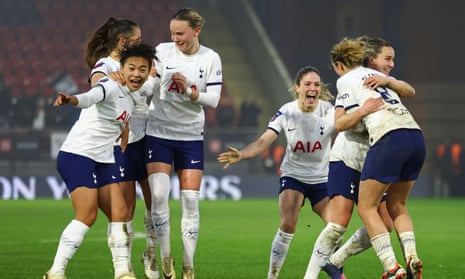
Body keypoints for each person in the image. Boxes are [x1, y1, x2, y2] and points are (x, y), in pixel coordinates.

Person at [304, 36, 417, 279]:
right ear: (370, 59)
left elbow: (409, 91)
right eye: (387, 59)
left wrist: (388, 82)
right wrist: (363, 111)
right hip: (347, 157)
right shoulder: (351, 81)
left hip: (377, 156)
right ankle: (310, 276)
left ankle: (335, 262)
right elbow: (340, 123)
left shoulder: (384, 82)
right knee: (338, 224)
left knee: (385, 222)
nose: (390, 65)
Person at [44, 43, 155, 279]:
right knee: (88, 215)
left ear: (148, 72)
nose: (136, 74)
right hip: (78, 155)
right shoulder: (111, 84)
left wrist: (124, 130)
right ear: (122, 68)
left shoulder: (134, 96)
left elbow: (128, 116)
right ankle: (55, 272)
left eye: (142, 69)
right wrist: (72, 99)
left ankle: (123, 272)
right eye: (132, 68)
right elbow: (92, 96)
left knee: (121, 212)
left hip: (103, 158)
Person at [217, 66, 335, 279]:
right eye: (307, 84)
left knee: (335, 228)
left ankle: (325, 272)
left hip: (322, 179)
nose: (313, 88)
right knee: (289, 221)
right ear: (297, 87)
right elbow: (263, 141)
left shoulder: (330, 111)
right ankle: (272, 276)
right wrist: (242, 154)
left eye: (316, 84)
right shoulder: (287, 111)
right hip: (294, 176)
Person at [144, 8, 223, 279]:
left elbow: (213, 99)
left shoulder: (210, 58)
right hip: (158, 132)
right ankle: (165, 259)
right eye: (172, 33)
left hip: (190, 135)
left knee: (190, 202)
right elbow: (148, 86)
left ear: (196, 31)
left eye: (180, 33)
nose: (175, 38)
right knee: (158, 196)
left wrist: (190, 90)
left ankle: (188, 265)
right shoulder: (161, 51)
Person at [84, 17, 159, 279]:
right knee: (124, 209)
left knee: (154, 203)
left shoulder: (144, 63)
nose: (141, 42)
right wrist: (107, 83)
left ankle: (150, 254)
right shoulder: (107, 65)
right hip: (120, 145)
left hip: (147, 138)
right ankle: (123, 268)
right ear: (123, 41)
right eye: (137, 40)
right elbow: (96, 83)